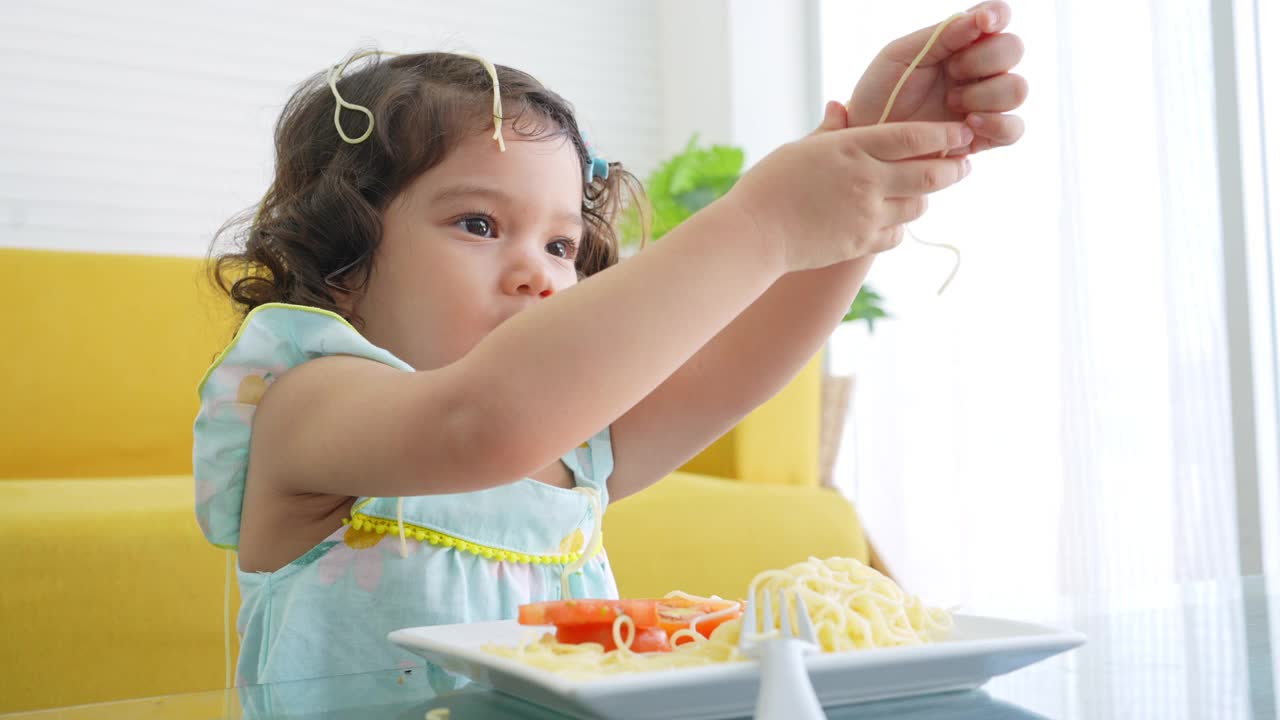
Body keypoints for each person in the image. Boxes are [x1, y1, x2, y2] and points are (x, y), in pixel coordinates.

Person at [194, 2, 1026, 686]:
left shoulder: (578, 447)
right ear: (341, 261)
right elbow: (481, 421)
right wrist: (762, 220)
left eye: (561, 246)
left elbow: (736, 367)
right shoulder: (312, 400)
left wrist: (868, 168)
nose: (537, 273)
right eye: (479, 224)